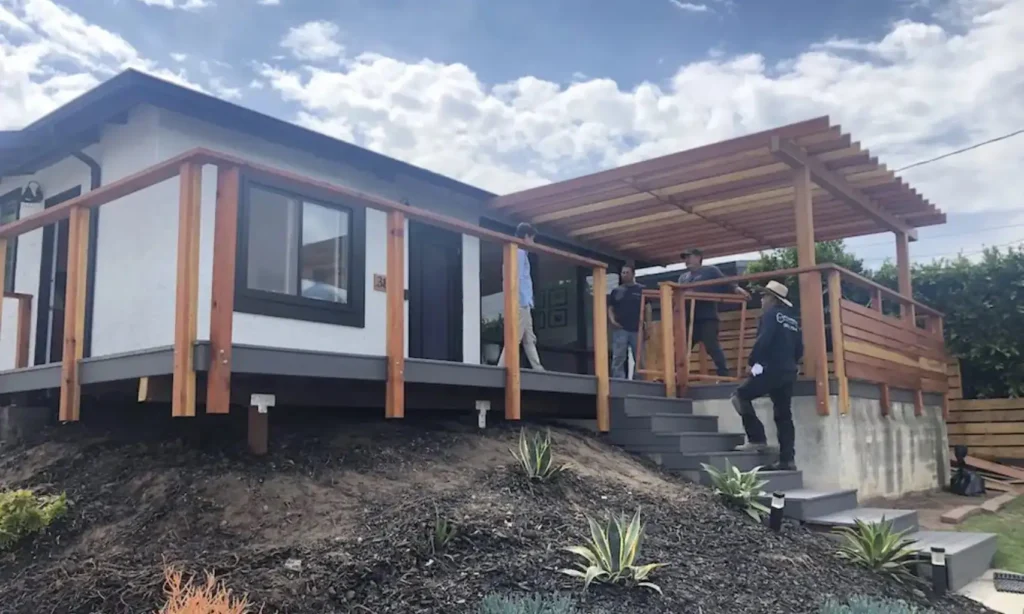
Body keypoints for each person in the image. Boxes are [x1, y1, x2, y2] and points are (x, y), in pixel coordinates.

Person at [731, 280, 803, 471]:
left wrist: (753, 362)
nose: (762, 299)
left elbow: (764, 340)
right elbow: (799, 348)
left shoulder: (770, 315)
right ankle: (788, 460)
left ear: (773, 299)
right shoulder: (793, 320)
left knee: (740, 396)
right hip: (788, 371)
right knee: (783, 415)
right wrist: (792, 364)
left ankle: (757, 439)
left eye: (764, 296)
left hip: (771, 369)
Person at [677, 248, 750, 377]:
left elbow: (725, 282)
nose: (686, 260)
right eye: (685, 258)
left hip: (707, 317)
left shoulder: (710, 271)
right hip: (689, 320)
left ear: (699, 257)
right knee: (681, 349)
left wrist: (737, 289)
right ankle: (676, 375)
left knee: (712, 346)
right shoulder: (683, 278)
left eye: (689, 256)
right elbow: (677, 296)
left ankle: (724, 375)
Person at [497, 223, 544, 370]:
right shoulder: (518, 252)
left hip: (525, 302)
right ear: (526, 237)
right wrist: (521, 300)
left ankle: (537, 367)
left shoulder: (519, 252)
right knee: (515, 336)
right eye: (532, 238)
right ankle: (501, 366)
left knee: (529, 337)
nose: (533, 242)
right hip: (521, 301)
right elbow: (516, 278)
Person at [608, 264, 650, 379]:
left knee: (639, 357)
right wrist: (612, 320)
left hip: (637, 329)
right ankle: (619, 379)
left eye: (627, 272)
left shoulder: (641, 289)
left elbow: (647, 308)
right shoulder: (616, 291)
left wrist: (648, 326)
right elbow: (610, 308)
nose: (624, 275)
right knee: (618, 356)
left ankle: (639, 380)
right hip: (620, 328)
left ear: (633, 274)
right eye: (623, 273)